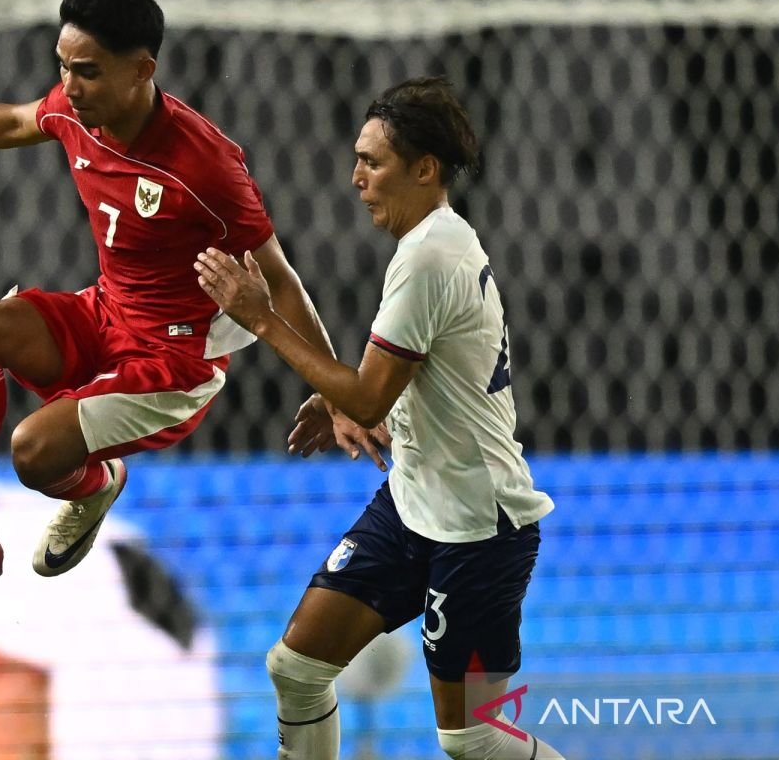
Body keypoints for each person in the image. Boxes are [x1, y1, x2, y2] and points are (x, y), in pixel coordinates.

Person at [0, 0, 339, 615]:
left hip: (173, 363)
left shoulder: (204, 167)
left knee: (34, 453)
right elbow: (16, 120)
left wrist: (333, 389)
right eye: (63, 66)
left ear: (142, 69)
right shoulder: (77, 110)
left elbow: (281, 279)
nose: (69, 86)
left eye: (88, 71)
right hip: (105, 312)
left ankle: (95, 486)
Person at [195, 77, 565, 759]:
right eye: (357, 159)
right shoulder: (433, 243)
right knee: (296, 668)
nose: (356, 177)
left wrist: (259, 316)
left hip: (477, 528)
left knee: (473, 740)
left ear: (424, 169)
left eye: (373, 161)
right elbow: (400, 386)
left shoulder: (430, 257)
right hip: (413, 504)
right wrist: (350, 401)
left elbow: (368, 396)